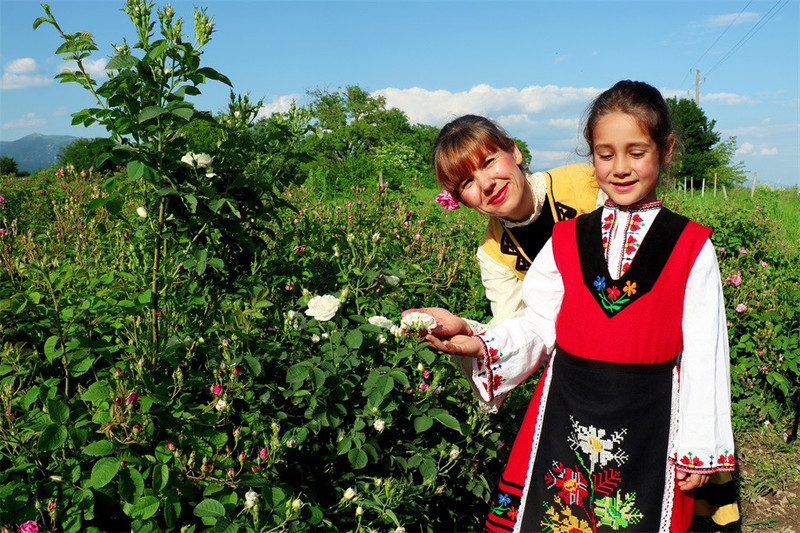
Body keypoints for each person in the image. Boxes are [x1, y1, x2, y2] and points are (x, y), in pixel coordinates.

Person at [421, 80, 736, 532]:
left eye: (636, 151)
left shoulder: (689, 244)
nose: (620, 167)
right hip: (568, 413)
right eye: (605, 155)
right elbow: (536, 323)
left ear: (665, 151)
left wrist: (701, 444)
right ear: (592, 155)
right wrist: (478, 342)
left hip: (652, 415)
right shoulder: (559, 241)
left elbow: (707, 349)